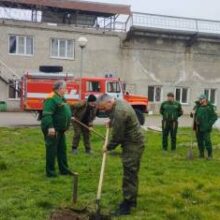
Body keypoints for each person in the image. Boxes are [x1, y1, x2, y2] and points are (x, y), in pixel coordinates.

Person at [97, 94, 145, 216]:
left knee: (129, 173)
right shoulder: (118, 103)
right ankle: (132, 201)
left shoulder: (120, 111)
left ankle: (127, 205)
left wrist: (108, 147)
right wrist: (111, 121)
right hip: (132, 141)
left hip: (133, 143)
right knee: (131, 172)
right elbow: (118, 119)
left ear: (109, 102)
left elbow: (117, 136)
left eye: (103, 108)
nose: (104, 110)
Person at [41, 80, 72, 177]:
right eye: (65, 88)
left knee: (62, 150)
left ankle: (64, 170)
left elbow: (63, 111)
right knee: (51, 150)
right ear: (59, 88)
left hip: (61, 130)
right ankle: (50, 172)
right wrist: (50, 127)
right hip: (53, 130)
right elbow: (47, 114)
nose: (66, 90)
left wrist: (70, 117)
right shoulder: (51, 98)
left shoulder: (61, 98)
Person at [193, 94, 217, 159]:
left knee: (207, 141)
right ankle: (201, 154)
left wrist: (209, 125)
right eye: (199, 99)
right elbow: (196, 115)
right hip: (198, 127)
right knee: (199, 141)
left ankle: (210, 155)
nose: (199, 100)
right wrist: (192, 115)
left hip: (206, 128)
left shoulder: (210, 107)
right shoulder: (198, 107)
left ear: (205, 99)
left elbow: (214, 117)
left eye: (201, 99)